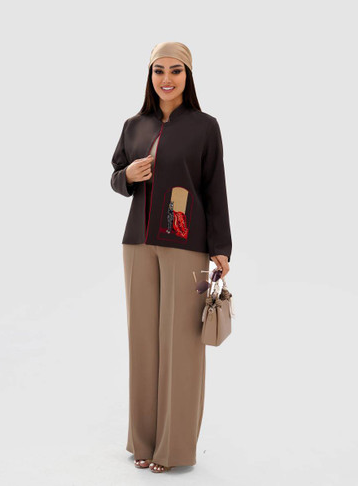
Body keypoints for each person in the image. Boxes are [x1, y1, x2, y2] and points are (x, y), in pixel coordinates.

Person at [110, 41, 232, 473]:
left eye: (175, 71)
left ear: (188, 75)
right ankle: (143, 442)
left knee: (182, 346)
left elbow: (215, 187)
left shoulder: (204, 127)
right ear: (150, 75)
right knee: (143, 343)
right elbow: (116, 176)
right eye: (158, 70)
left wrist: (221, 247)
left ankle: (174, 448)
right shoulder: (133, 126)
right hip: (137, 245)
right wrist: (127, 175)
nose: (166, 79)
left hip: (187, 244)